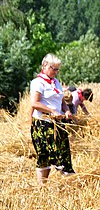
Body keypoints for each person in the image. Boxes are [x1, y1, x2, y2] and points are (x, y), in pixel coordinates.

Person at [29, 53, 74, 184]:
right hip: (42, 124)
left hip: (58, 124)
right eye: (53, 68)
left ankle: (70, 185)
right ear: (44, 66)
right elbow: (34, 103)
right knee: (44, 155)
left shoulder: (56, 82)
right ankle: (41, 188)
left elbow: (61, 101)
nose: (55, 72)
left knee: (63, 154)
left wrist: (66, 111)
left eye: (57, 69)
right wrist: (51, 111)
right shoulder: (37, 83)